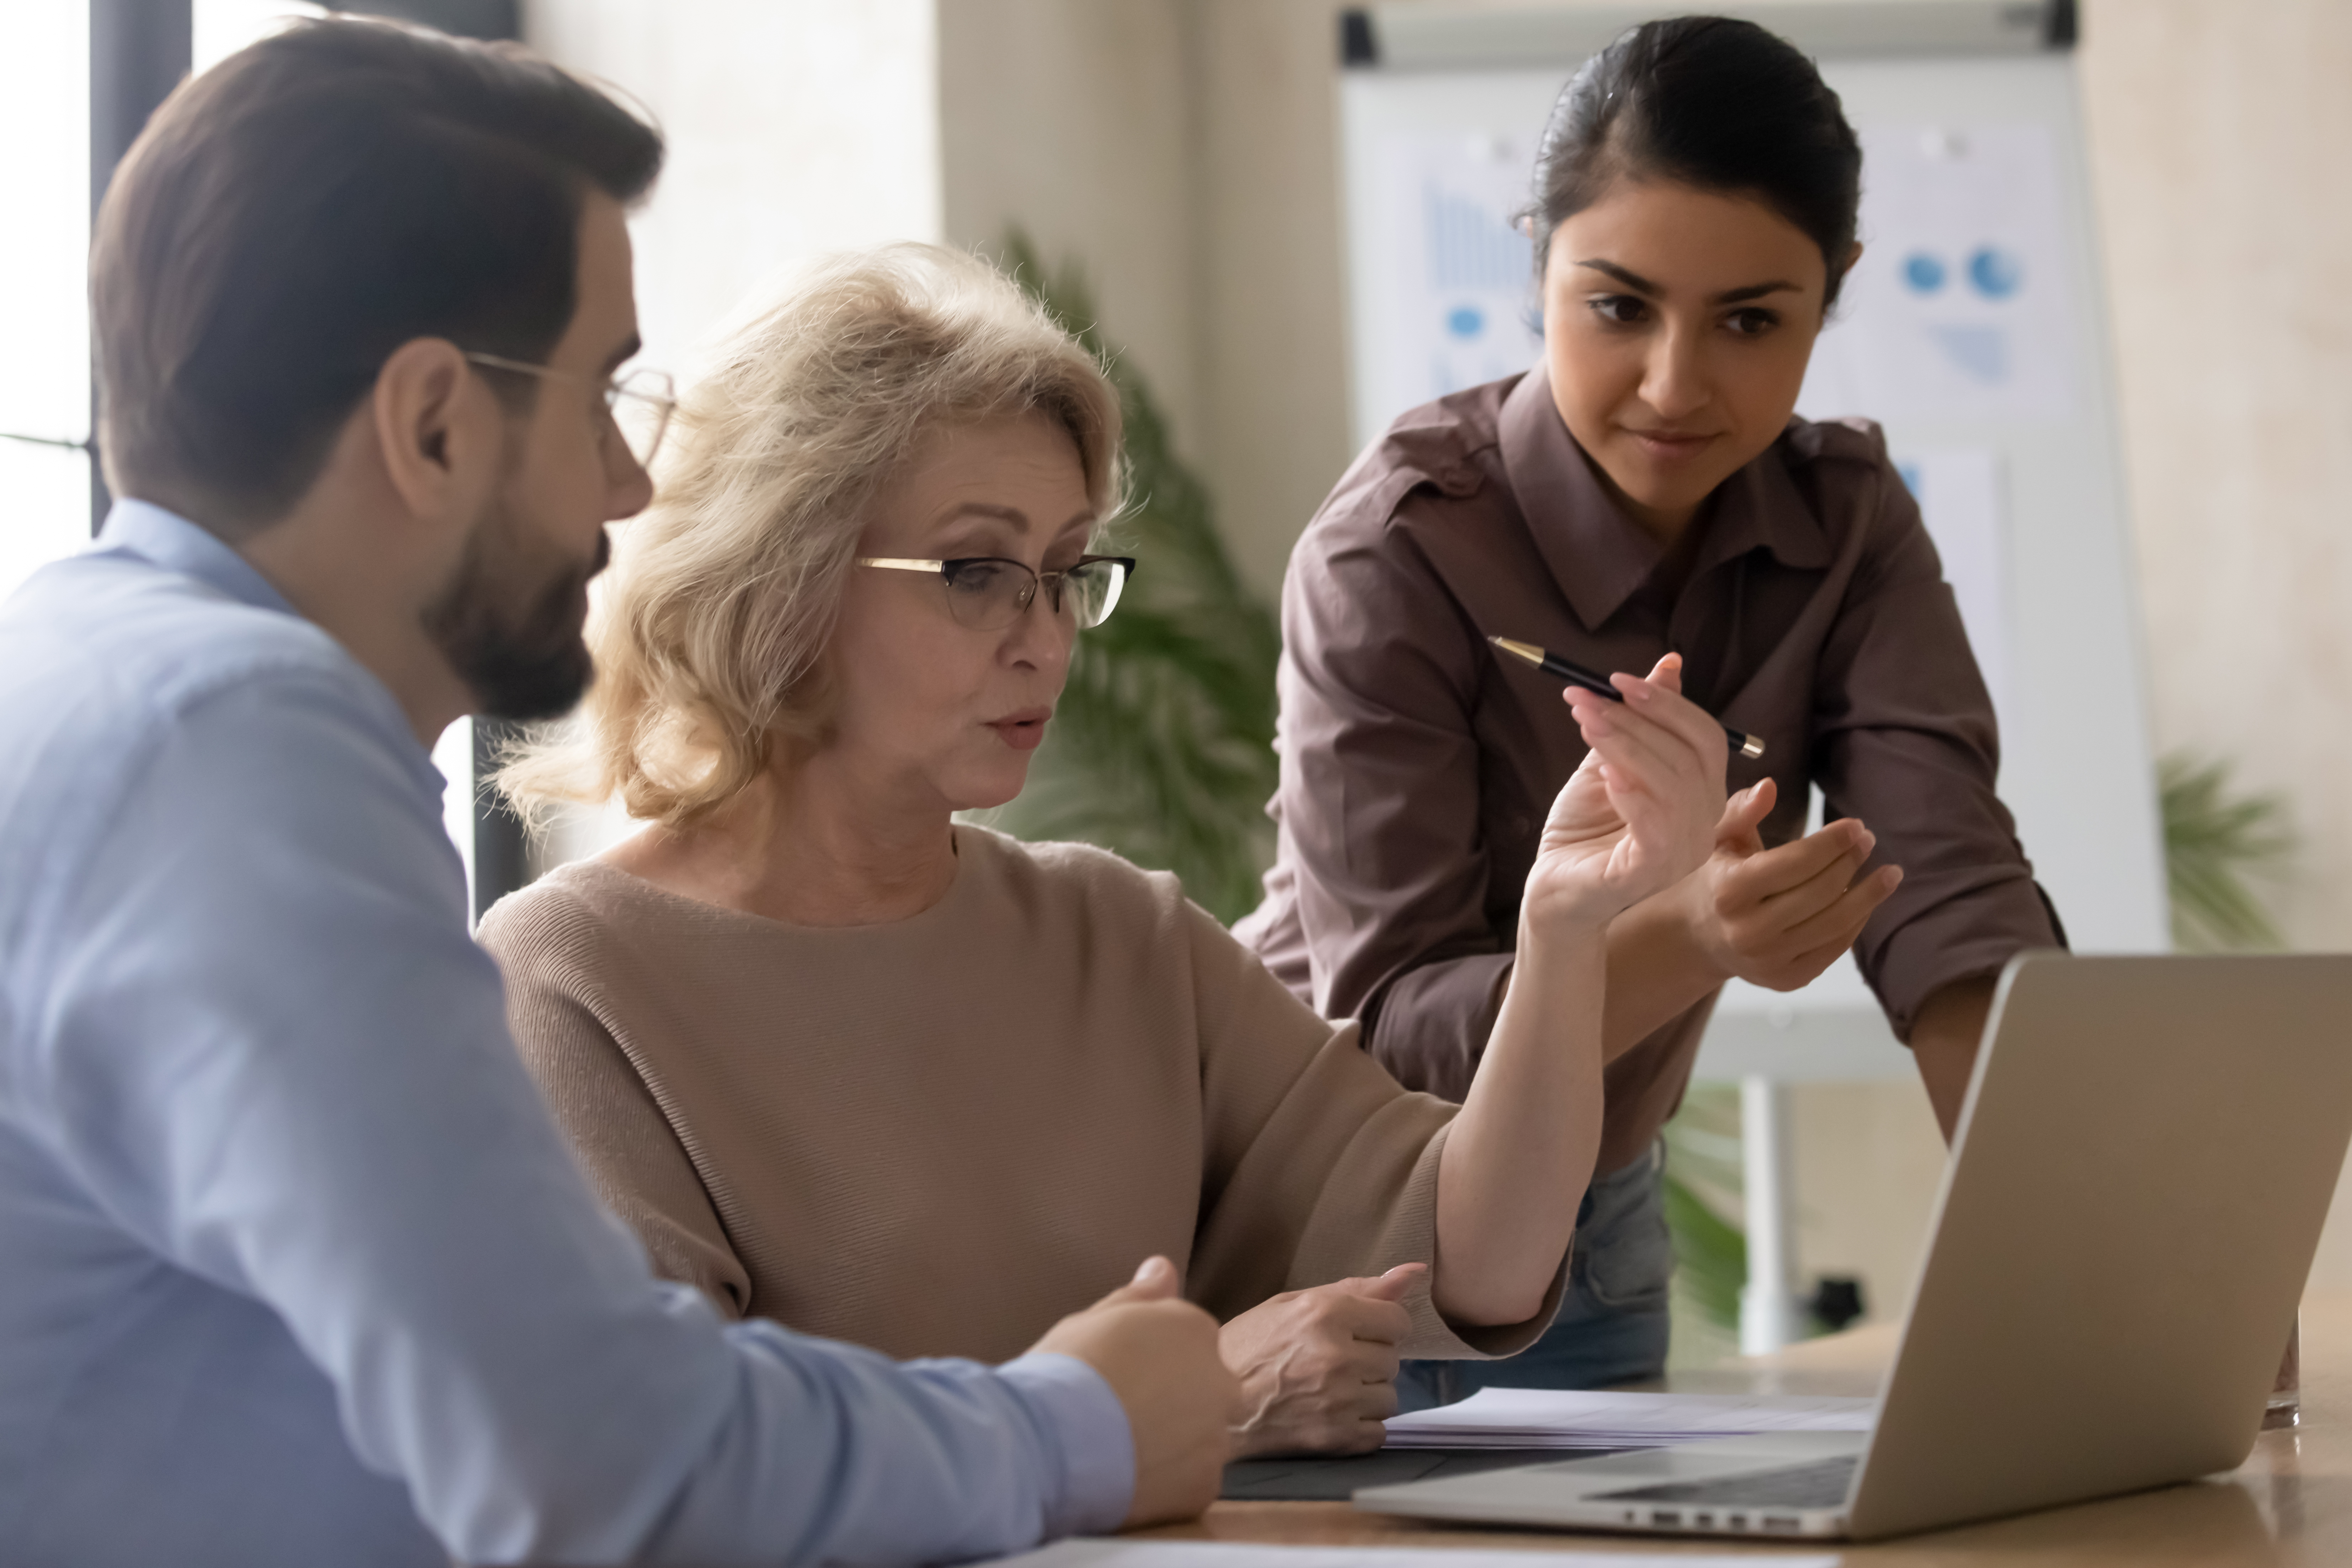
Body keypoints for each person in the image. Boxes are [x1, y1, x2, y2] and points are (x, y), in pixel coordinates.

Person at [0, 21, 1243, 1567]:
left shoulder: (85, 673)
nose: (632, 485)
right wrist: (1073, 1425)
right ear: (434, 421)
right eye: (599, 397)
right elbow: (606, 1462)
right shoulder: (242, 751)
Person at [476, 242, 1730, 1459]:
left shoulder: (1122, 936)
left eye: (1067, 570)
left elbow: (1480, 1252)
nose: (1046, 636)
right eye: (976, 571)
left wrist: (1566, 929)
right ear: (782, 578)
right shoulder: (572, 980)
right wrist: (1171, 1405)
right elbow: (673, 1469)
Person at [1235, 15, 2064, 1405]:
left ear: (1833, 290)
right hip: (1336, 1212)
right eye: (1617, 305)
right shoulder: (1396, 547)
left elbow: (1951, 898)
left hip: (1596, 1216)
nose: (1677, 385)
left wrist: (2090, 1257)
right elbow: (1394, 1022)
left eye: (1751, 319)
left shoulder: (1848, 523)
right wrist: (1685, 940)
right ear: (1537, 259)